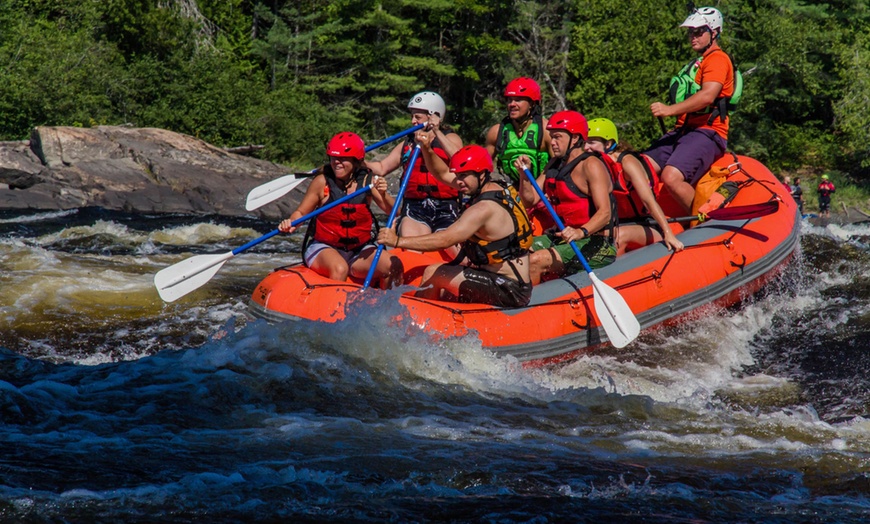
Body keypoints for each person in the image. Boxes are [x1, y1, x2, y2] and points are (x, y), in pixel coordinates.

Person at [376, 144, 534, 308]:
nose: (459, 182)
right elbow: (442, 174)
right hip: (504, 279)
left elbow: (445, 239)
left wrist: (396, 241)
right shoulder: (501, 187)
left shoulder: (483, 209)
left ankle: (415, 320)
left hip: (509, 289)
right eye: (458, 175)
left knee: (435, 273)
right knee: (446, 290)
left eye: (464, 175)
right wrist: (428, 149)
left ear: (481, 174)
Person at [279, 132, 402, 289]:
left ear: (356, 161)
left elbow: (394, 212)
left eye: (343, 159)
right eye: (333, 158)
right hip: (324, 247)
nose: (337, 162)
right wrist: (292, 222)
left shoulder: (368, 181)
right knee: (339, 268)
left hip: (359, 250)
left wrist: (384, 194)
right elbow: (301, 213)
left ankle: (387, 309)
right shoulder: (322, 182)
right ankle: (330, 311)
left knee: (394, 265)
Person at [645, 6, 735, 214]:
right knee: (639, 166)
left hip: (708, 132)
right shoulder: (698, 62)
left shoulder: (718, 59)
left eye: (698, 32)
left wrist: (669, 110)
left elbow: (707, 96)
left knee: (671, 176)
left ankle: (702, 221)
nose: (692, 37)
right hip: (683, 132)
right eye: (690, 32)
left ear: (714, 33)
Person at [515, 111, 618, 285]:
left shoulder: (591, 165)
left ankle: (530, 306)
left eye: (557, 137)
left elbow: (605, 212)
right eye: (551, 137)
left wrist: (581, 231)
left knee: (535, 260)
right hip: (562, 238)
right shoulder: (554, 164)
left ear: (575, 138)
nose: (552, 142)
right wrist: (524, 175)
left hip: (597, 244)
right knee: (517, 249)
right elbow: (529, 200)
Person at [368, 91, 463, 251]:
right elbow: (381, 168)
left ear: (434, 117)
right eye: (412, 116)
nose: (413, 121)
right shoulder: (408, 144)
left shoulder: (451, 138)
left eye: (417, 117)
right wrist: (355, 160)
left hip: (447, 207)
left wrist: (437, 132)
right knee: (412, 246)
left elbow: (460, 160)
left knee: (453, 250)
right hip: (415, 208)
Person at [585, 118, 684, 255]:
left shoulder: (628, 162)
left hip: (647, 225)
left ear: (608, 144)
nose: (586, 147)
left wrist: (668, 233)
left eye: (591, 142)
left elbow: (648, 201)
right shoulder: (593, 166)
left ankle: (611, 275)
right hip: (618, 224)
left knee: (616, 237)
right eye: (584, 142)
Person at [484, 77, 553, 189]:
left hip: (542, 191)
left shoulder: (546, 130)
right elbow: (483, 168)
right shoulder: (496, 132)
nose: (512, 104)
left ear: (531, 103)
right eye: (510, 100)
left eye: (518, 100)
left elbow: (560, 168)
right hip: (511, 190)